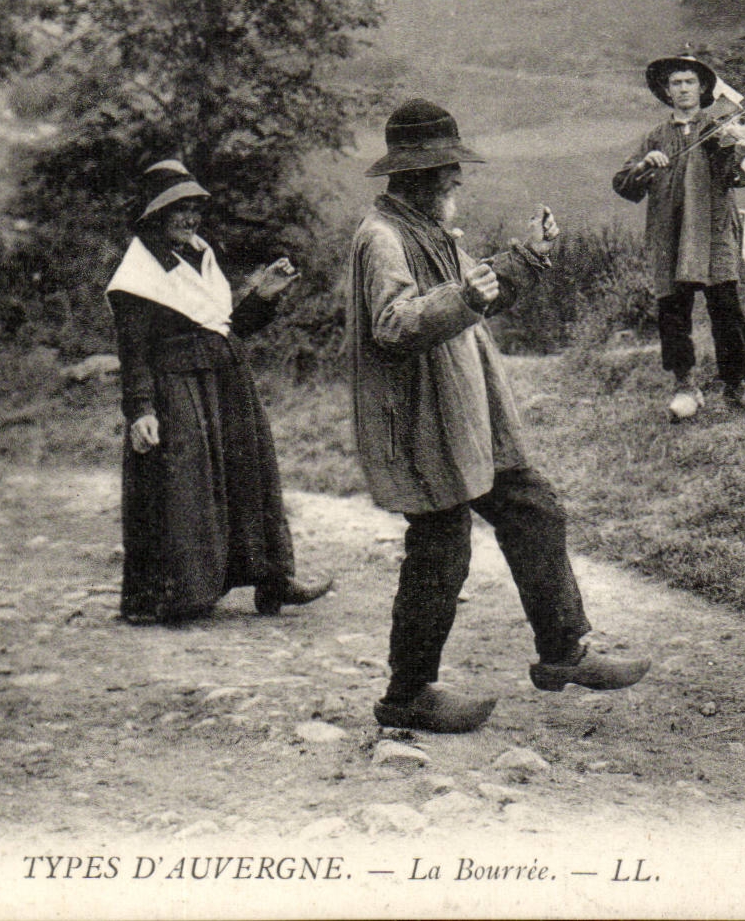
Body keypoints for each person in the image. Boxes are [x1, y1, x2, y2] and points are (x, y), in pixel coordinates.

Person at [348, 100, 651, 734]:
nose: (458, 180)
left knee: (533, 506)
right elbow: (395, 324)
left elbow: (474, 298)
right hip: (425, 423)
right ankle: (407, 694)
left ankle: (563, 653)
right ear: (419, 175)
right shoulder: (383, 238)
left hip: (470, 415)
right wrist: (463, 295)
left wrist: (526, 257)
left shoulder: (427, 230)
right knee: (441, 551)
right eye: (449, 170)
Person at [107, 159, 332, 623]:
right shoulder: (136, 278)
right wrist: (141, 411)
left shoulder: (200, 255)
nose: (189, 218)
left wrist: (264, 296)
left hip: (227, 386)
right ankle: (177, 595)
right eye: (178, 209)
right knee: (186, 490)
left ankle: (274, 580)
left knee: (251, 477)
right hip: (178, 392)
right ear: (154, 215)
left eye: (194, 209)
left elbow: (223, 329)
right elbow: (135, 352)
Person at [613, 53, 745, 421]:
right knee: (673, 310)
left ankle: (738, 384)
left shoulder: (720, 127)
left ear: (702, 88)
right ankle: (685, 386)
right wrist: (644, 165)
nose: (683, 89)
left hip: (714, 228)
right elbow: (624, 185)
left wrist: (740, 150)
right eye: (676, 83)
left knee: (726, 307)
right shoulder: (655, 136)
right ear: (667, 92)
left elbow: (739, 176)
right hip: (671, 232)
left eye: (689, 82)